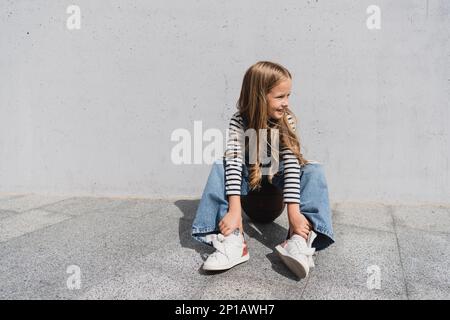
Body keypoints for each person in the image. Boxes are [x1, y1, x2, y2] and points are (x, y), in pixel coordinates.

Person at [191, 61, 334, 279]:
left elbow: (292, 164)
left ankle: (298, 239)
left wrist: (294, 214)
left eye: (288, 96)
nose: (286, 103)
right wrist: (234, 212)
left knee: (313, 169)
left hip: (275, 193)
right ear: (258, 96)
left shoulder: (286, 120)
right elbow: (235, 161)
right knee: (223, 163)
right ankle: (232, 239)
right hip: (248, 194)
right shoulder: (239, 120)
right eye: (280, 96)